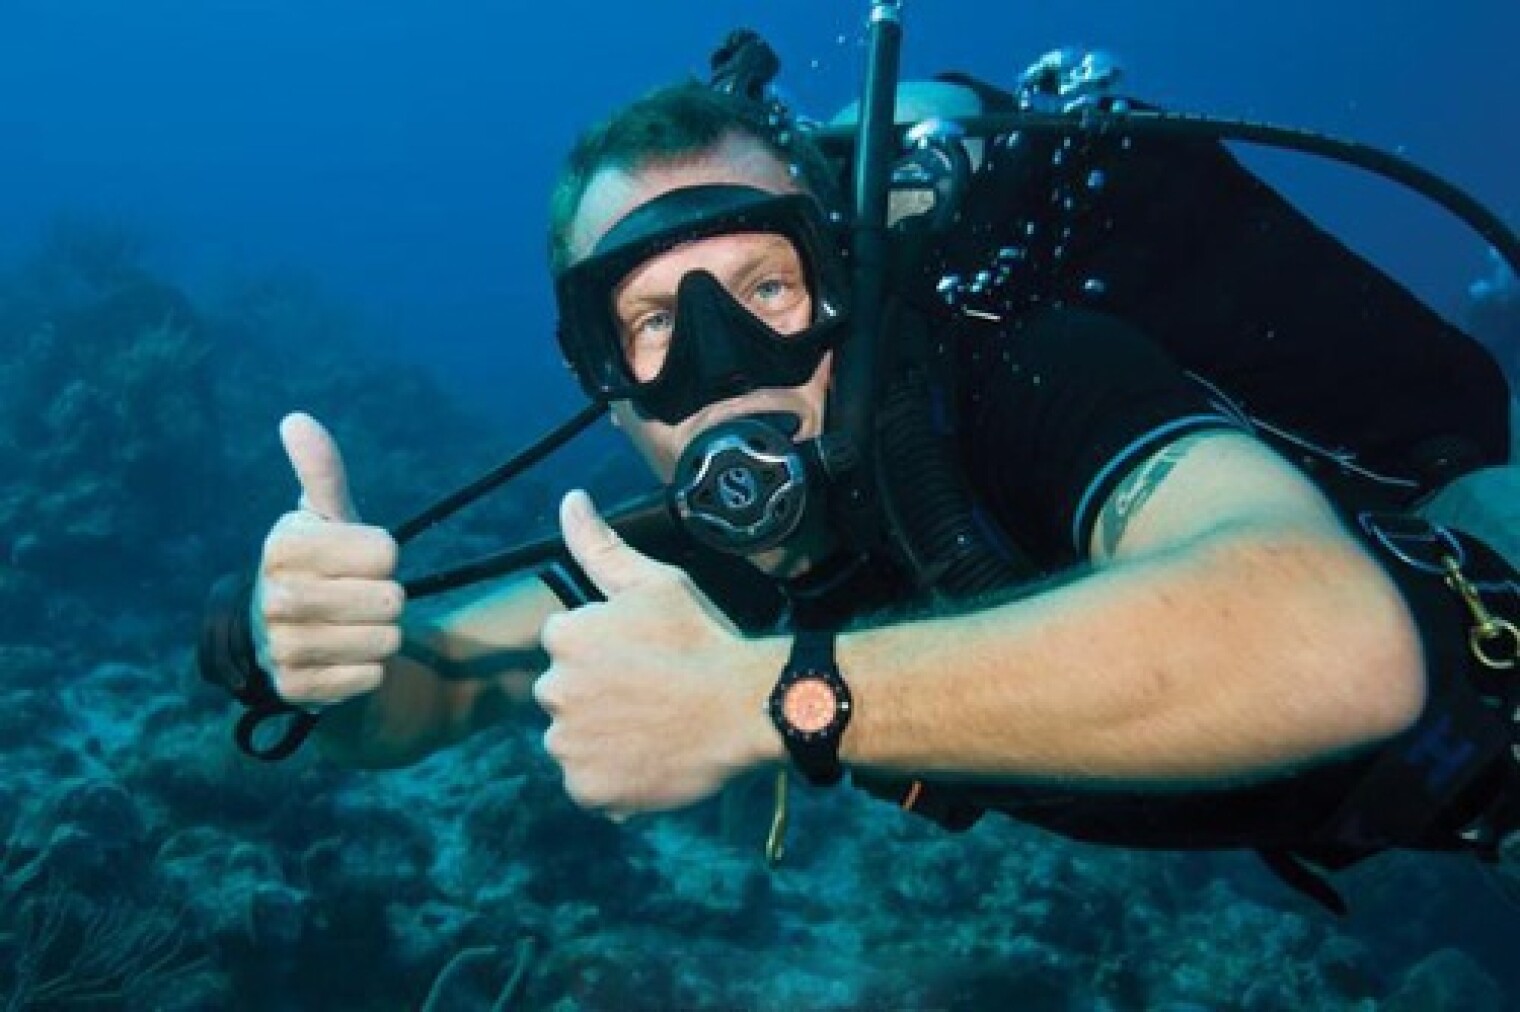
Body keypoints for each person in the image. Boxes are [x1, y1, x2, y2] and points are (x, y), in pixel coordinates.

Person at [200, 55, 1520, 907]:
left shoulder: (1025, 380)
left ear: (847, 292)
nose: (725, 365)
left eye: (767, 288)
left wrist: (771, 697)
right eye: (655, 323)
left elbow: (1335, 645)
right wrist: (337, 656)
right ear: (600, 380)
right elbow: (425, 698)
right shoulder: (673, 576)